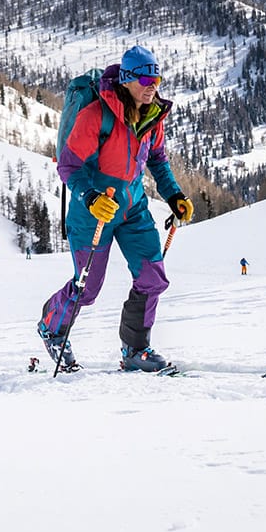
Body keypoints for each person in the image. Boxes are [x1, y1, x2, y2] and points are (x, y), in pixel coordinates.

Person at [37, 45, 193, 374]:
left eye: (157, 78)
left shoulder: (154, 116)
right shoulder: (97, 115)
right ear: (126, 79)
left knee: (153, 277)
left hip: (132, 208)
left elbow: (158, 161)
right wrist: (92, 197)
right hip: (93, 211)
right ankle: (52, 327)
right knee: (87, 288)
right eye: (145, 79)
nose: (153, 85)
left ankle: (135, 350)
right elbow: (68, 166)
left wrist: (174, 195)